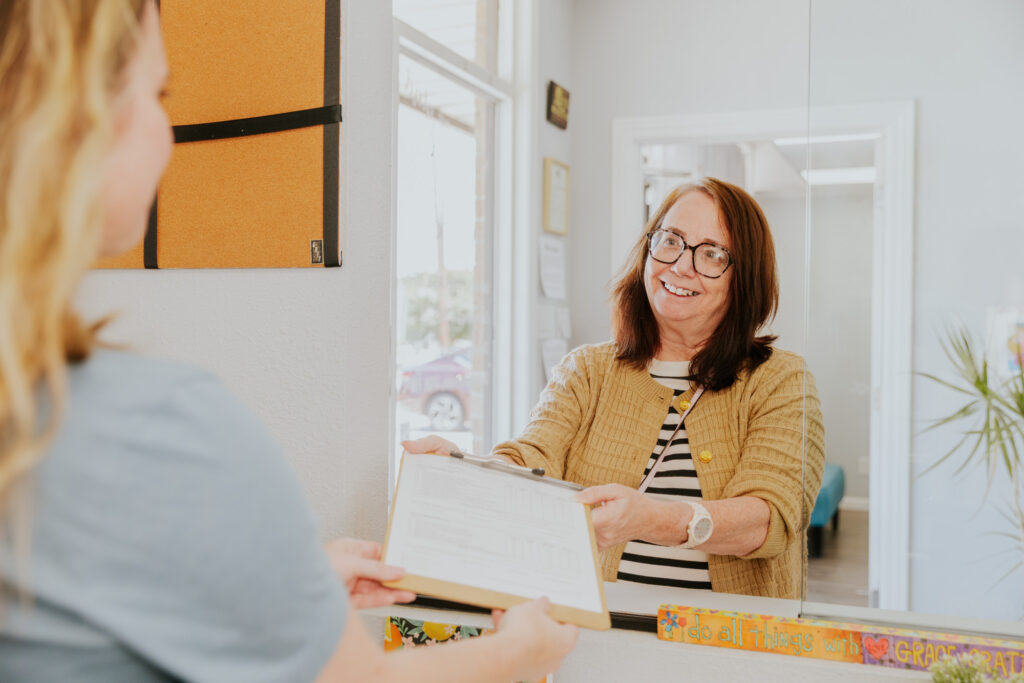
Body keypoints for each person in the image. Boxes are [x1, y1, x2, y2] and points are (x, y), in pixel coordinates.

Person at [0, 2, 577, 681]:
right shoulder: (162, 424)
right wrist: (523, 650)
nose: (169, 131)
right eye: (157, 94)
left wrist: (277, 587)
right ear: (78, 119)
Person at [406, 179, 825, 599]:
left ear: (745, 278)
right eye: (671, 240)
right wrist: (466, 471)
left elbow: (772, 519)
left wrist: (653, 520)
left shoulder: (780, 380)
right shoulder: (587, 370)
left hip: (728, 649)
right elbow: (532, 456)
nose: (681, 265)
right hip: (596, 639)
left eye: (712, 254)